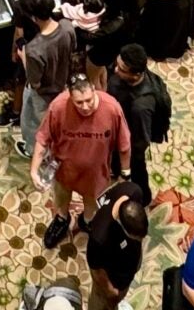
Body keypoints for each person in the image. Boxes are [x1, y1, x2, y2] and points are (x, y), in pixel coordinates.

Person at [34, 69, 130, 250]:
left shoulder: (112, 108)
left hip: (95, 173)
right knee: (61, 199)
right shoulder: (58, 107)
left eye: (89, 100)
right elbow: (42, 138)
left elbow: (124, 144)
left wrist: (125, 172)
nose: (85, 107)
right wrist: (34, 170)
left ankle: (87, 221)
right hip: (64, 170)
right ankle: (62, 220)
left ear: (94, 90)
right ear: (69, 96)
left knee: (91, 203)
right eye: (79, 102)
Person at [16, 0, 80, 160]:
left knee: (34, 125)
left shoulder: (34, 49)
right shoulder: (67, 27)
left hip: (42, 93)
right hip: (62, 84)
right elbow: (73, 50)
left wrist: (23, 57)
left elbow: (34, 81)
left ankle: (33, 150)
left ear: (33, 17)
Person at [107, 43, 172, 195]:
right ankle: (115, 169)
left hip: (129, 141)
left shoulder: (142, 107)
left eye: (122, 70)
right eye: (117, 64)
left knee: (137, 170)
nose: (116, 70)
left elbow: (141, 141)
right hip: (117, 128)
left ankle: (143, 196)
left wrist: (126, 157)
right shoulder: (126, 74)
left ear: (136, 75)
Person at [85, 179, 151, 310]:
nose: (139, 240)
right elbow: (96, 269)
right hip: (109, 275)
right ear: (121, 224)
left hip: (125, 267)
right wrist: (110, 289)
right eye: (136, 237)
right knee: (101, 302)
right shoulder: (100, 237)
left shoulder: (134, 191)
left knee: (116, 301)